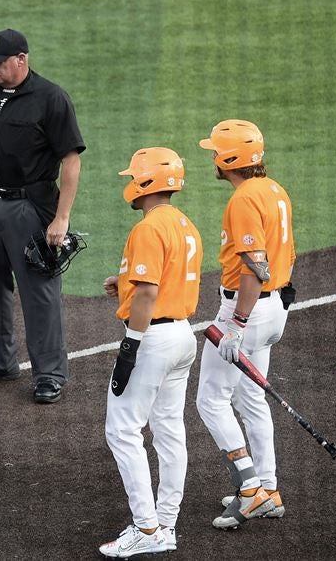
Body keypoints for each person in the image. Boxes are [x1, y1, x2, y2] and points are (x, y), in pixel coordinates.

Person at [0, 28, 85, 404]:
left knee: (39, 291)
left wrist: (62, 218)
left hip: (31, 206)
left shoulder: (51, 98)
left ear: (21, 60)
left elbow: (72, 160)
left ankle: (49, 375)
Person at [98, 147, 201, 558]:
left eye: (133, 177)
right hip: (182, 337)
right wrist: (122, 283)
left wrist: (130, 345)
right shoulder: (184, 224)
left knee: (122, 430)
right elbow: (156, 280)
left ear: (145, 183)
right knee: (169, 429)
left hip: (153, 340)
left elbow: (148, 291)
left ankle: (146, 527)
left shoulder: (148, 229)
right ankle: (166, 524)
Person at [195, 119, 295, 529]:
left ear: (228, 159)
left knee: (210, 400)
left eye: (216, 151)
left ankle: (251, 491)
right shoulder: (273, 190)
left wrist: (237, 323)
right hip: (274, 310)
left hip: (247, 311)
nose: (212, 158)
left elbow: (256, 266)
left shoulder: (243, 200)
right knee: (251, 400)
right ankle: (268, 489)